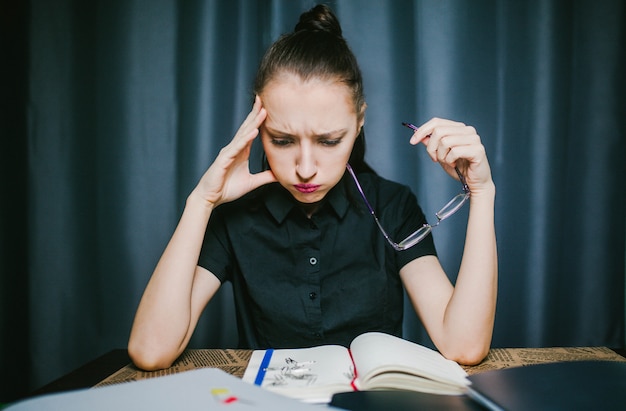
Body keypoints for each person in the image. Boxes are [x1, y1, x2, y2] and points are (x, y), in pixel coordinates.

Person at [128, 4, 497, 371]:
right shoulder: (235, 217)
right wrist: (201, 200)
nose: (305, 169)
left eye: (329, 141)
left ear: (359, 123)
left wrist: (482, 193)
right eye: (283, 141)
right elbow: (150, 351)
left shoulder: (392, 206)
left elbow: (463, 346)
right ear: (257, 130)